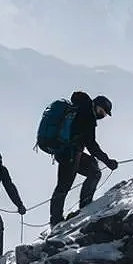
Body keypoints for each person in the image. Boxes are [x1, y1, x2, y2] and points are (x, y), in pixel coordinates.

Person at [49, 93, 118, 227]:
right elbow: (91, 145)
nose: (102, 116)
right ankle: (58, 219)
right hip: (70, 154)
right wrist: (107, 161)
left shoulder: (80, 109)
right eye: (102, 112)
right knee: (65, 185)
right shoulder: (88, 115)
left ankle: (65, 215)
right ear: (97, 106)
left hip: (67, 152)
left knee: (92, 171)